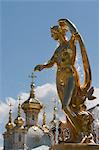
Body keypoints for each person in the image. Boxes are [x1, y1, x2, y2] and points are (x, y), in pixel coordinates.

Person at [34, 19, 94, 133]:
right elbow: (51, 62)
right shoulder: (58, 50)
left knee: (65, 106)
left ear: (59, 33)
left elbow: (75, 33)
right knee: (68, 106)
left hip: (70, 75)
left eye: (53, 34)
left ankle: (80, 132)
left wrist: (67, 22)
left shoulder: (70, 43)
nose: (52, 37)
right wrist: (43, 66)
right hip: (59, 78)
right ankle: (74, 133)